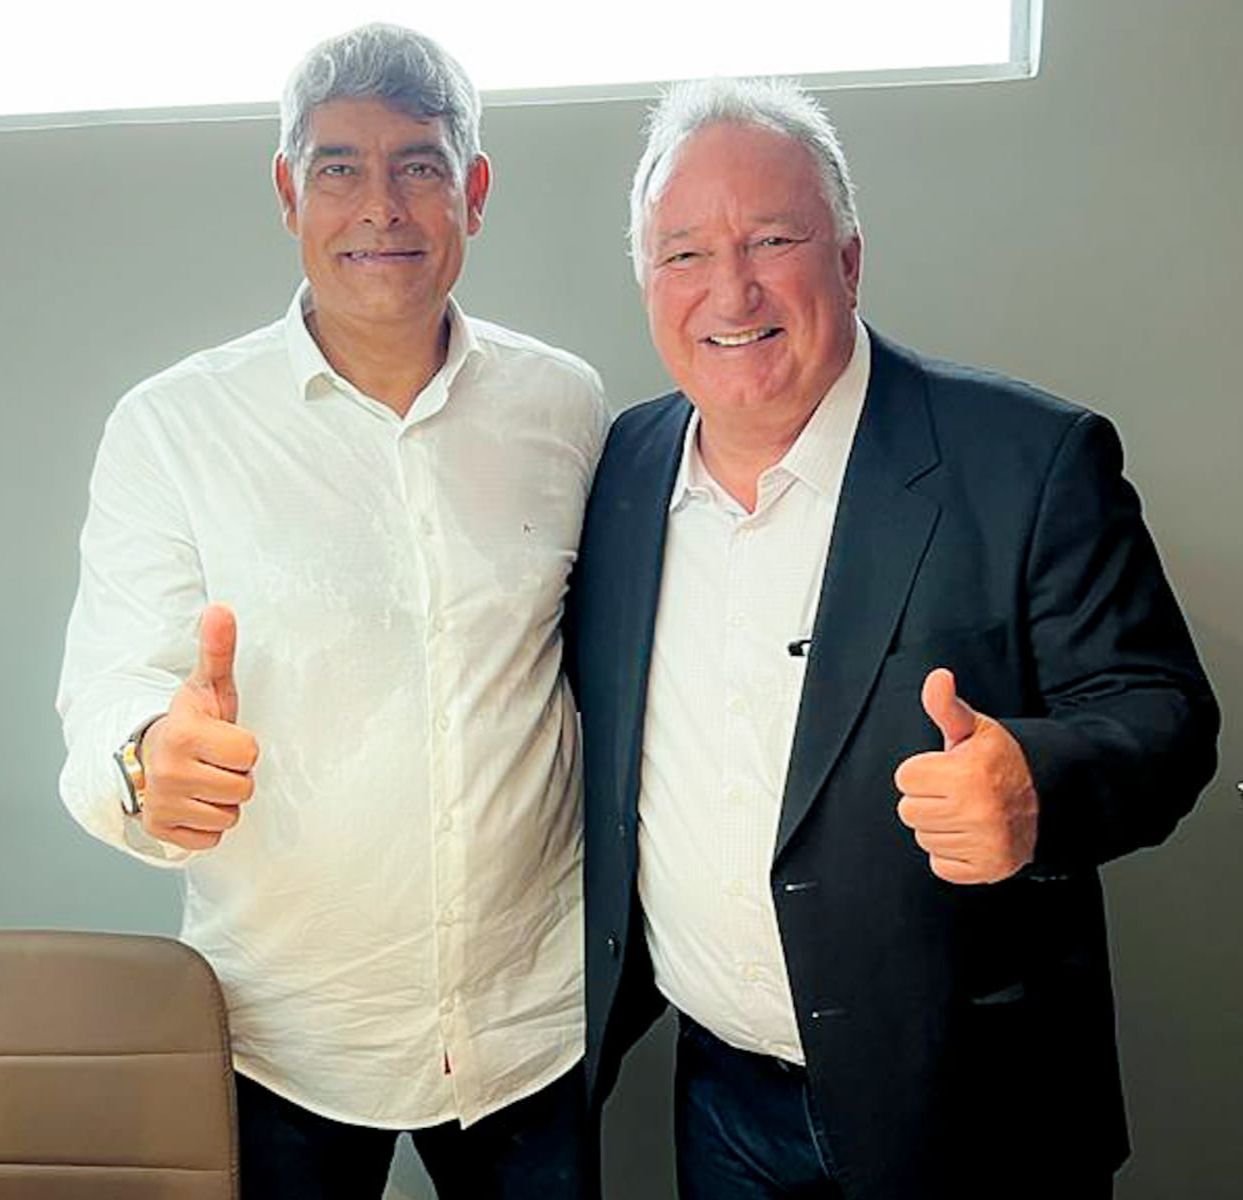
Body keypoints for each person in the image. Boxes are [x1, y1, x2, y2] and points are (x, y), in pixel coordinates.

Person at [570, 77, 1218, 1200]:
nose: (730, 288)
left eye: (773, 239)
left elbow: (1163, 718)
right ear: (646, 282)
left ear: (849, 259)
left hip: (972, 1110)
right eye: (683, 254)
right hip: (721, 1099)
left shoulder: (1027, 458)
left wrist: (1037, 785)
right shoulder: (624, 467)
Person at [57, 23, 607, 1199]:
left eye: (418, 165)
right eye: (339, 168)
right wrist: (149, 762)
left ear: (475, 189)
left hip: (529, 1022)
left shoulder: (565, 406)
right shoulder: (172, 429)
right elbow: (108, 688)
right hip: (285, 1034)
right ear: (287, 192)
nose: (380, 207)